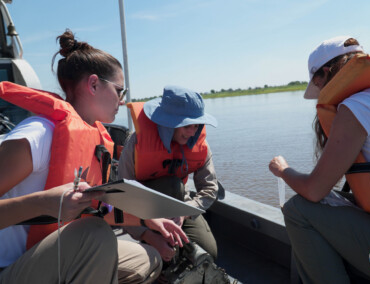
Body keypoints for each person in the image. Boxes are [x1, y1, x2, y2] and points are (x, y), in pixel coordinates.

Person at [0, 29, 188, 284]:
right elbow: (77, 218)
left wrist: (149, 220)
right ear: (94, 84)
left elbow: (92, 209)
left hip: (57, 249)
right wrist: (44, 203)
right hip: (10, 268)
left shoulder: (95, 140)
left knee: (148, 260)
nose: (122, 101)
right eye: (120, 90)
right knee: (95, 234)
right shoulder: (37, 135)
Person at [269, 36, 370, 284]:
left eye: (316, 84)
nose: (318, 93)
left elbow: (314, 190)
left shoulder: (357, 107)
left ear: (325, 73)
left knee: (298, 209)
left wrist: (283, 170)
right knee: (335, 199)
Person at [118, 86, 219, 262]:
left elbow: (210, 189)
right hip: (146, 214)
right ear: (167, 122)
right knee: (171, 185)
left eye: (197, 125)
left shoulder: (200, 144)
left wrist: (185, 214)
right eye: (187, 125)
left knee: (209, 253)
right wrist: (149, 236)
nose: (193, 131)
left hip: (182, 206)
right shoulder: (136, 143)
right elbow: (123, 198)